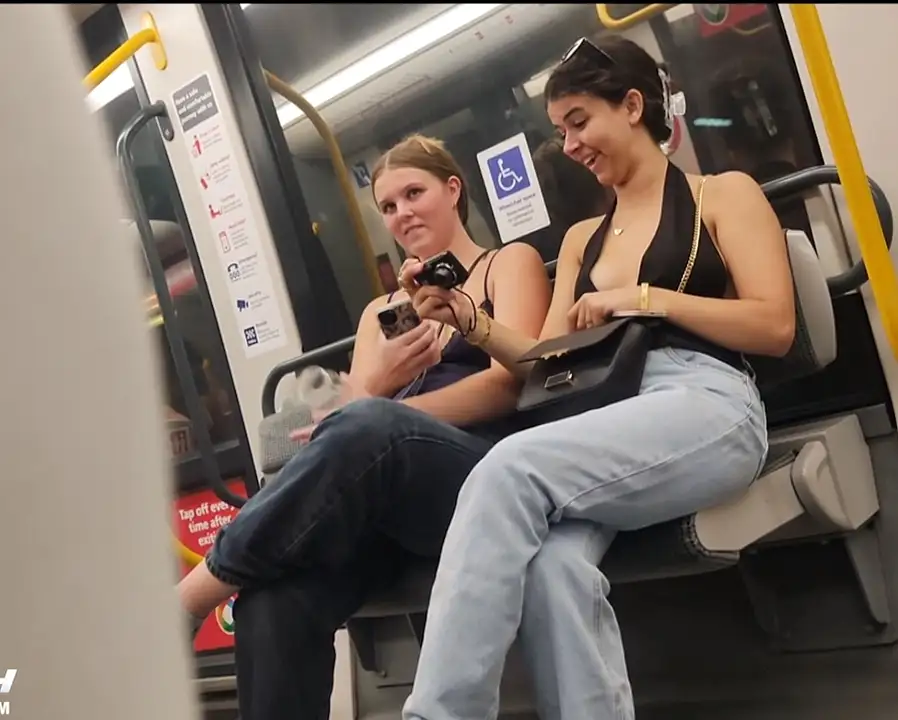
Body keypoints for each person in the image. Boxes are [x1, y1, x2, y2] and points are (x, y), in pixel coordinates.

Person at [400, 36, 794, 720]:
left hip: (708, 400)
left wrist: (644, 299)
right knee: (552, 567)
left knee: (507, 468)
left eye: (579, 122)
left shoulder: (720, 194)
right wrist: (470, 320)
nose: (570, 144)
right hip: (610, 417)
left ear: (633, 106)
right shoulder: (583, 239)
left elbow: (774, 325)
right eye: (561, 130)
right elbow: (546, 361)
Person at [175, 134, 551, 720]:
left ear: (453, 190)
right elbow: (357, 409)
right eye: (388, 206)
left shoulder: (508, 264)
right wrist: (383, 383)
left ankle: (192, 596)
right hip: (383, 491)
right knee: (271, 600)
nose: (402, 214)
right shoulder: (382, 312)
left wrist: (394, 416)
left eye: (414, 193)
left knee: (370, 426)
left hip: (477, 469)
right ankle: (227, 585)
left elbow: (514, 382)